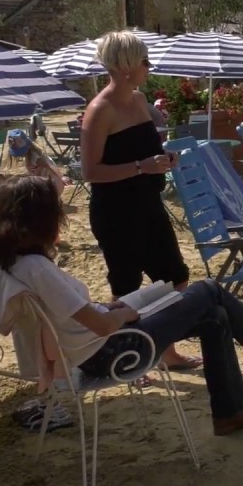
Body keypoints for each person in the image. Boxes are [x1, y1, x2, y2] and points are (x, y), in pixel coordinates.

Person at [0, 176, 243, 435]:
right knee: (208, 289)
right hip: (110, 353)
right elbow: (101, 327)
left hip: (97, 347)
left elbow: (75, 317)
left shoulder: (14, 263)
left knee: (214, 317)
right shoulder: (37, 268)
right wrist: (126, 312)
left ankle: (231, 413)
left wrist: (111, 309)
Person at [80, 30, 200, 370]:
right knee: (126, 288)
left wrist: (163, 158)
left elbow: (144, 150)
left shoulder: (138, 99)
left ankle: (166, 353)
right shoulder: (100, 109)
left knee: (175, 277)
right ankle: (126, 357)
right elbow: (90, 171)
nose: (150, 66)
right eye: (144, 60)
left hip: (148, 203)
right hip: (117, 211)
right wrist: (140, 167)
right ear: (126, 66)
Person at [7, 129, 66, 198]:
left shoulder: (36, 158)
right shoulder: (29, 156)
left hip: (52, 185)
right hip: (43, 182)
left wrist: (61, 177)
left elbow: (51, 166)